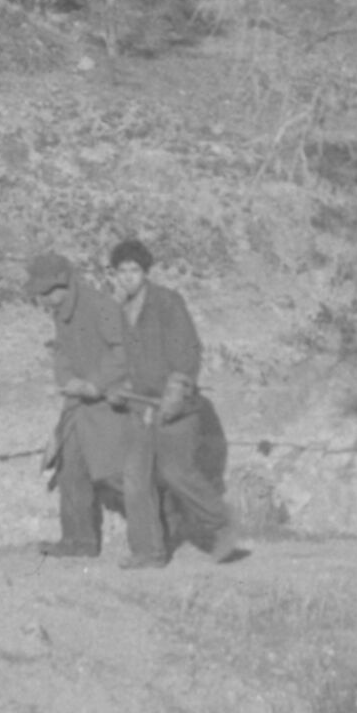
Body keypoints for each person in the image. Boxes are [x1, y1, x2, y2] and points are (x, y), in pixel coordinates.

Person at [108, 239, 245, 567]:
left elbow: (187, 352)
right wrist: (114, 387)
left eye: (134, 270)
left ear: (146, 272)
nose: (128, 277)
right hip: (139, 407)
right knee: (134, 477)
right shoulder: (116, 310)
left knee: (174, 471)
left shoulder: (168, 303)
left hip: (176, 405)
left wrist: (175, 392)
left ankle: (222, 524)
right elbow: (113, 357)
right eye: (122, 271)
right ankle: (148, 551)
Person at [29, 250, 134, 557]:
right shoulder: (61, 312)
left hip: (108, 403)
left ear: (64, 283)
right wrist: (67, 381)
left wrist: (96, 383)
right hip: (78, 404)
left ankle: (164, 518)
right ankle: (78, 542)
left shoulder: (101, 307)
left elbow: (123, 352)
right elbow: (62, 353)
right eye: (42, 294)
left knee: (113, 474)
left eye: (48, 292)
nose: (45, 300)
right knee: (70, 469)